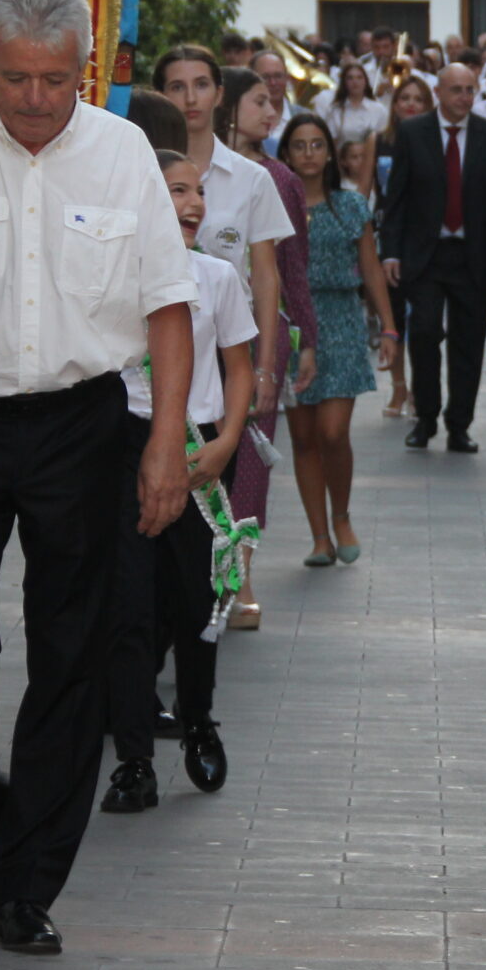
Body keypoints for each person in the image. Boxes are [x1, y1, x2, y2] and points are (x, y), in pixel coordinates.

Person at [0, 0, 194, 957]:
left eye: (53, 80)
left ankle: (24, 884)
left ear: (85, 73)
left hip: (82, 424)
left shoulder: (120, 157)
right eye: (16, 77)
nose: (32, 99)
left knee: (72, 649)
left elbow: (167, 304)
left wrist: (165, 448)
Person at [101, 149, 255, 815]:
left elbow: (240, 366)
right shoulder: (110, 275)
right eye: (175, 190)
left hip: (200, 446)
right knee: (129, 608)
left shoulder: (217, 276)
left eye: (198, 191)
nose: (192, 202)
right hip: (124, 442)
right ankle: (133, 757)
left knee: (198, 603)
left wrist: (225, 443)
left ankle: (199, 720)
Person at [157, 46, 305, 632]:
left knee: (241, 467)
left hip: (235, 349)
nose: (189, 99)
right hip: (162, 348)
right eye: (176, 86)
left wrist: (266, 364)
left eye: (200, 85)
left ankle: (236, 575)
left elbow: (265, 275)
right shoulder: (143, 174)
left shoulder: (251, 179)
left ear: (220, 94)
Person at [220, 64, 321, 623]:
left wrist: (306, 338)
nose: (271, 110)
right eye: (258, 100)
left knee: (252, 463)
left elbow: (291, 268)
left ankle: (241, 573)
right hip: (191, 335)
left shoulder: (278, 178)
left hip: (264, 334)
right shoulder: (177, 169)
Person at [379, 63, 486, 454]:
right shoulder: (412, 132)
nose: (464, 97)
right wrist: (390, 251)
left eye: (469, 90)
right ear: (438, 93)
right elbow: (397, 199)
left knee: (469, 342)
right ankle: (425, 417)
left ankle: (459, 424)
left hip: (474, 255)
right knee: (423, 332)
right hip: (424, 255)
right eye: (456, 89)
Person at [277, 113, 392, 565]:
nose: (308, 153)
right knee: (303, 438)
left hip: (341, 319)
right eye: (299, 145)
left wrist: (388, 326)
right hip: (289, 326)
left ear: (329, 152)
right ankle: (319, 536)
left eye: (317, 144)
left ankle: (341, 513)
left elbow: (371, 268)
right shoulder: (274, 205)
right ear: (286, 153)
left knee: (332, 431)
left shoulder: (350, 206)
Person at [375, 75, 436, 419]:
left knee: (424, 321)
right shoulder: (379, 141)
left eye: (418, 99)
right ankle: (399, 387)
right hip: (388, 235)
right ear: (395, 104)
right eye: (404, 98)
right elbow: (367, 189)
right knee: (393, 315)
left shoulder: (435, 142)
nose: (411, 104)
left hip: (423, 238)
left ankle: (421, 385)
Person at [323, 58, 385, 143]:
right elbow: (331, 141)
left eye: (359, 77)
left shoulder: (378, 109)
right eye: (350, 78)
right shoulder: (335, 109)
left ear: (365, 81)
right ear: (344, 83)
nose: (355, 82)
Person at [250, 48, 293, 156]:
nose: (273, 83)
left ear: (287, 78)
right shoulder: (243, 121)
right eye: (265, 77)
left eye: (278, 76)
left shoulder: (303, 116)